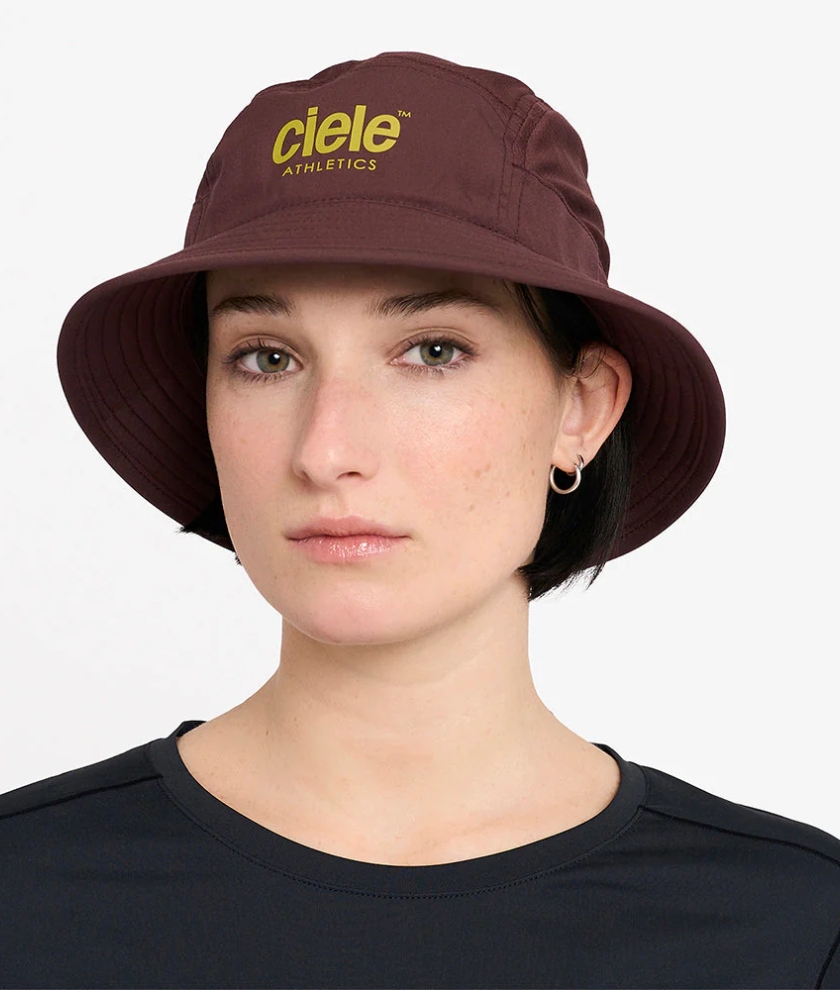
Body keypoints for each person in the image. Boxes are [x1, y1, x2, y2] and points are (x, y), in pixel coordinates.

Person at [1, 50, 838, 990]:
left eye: (433, 350)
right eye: (266, 358)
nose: (325, 450)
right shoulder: (22, 898)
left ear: (582, 408)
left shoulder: (793, 932)